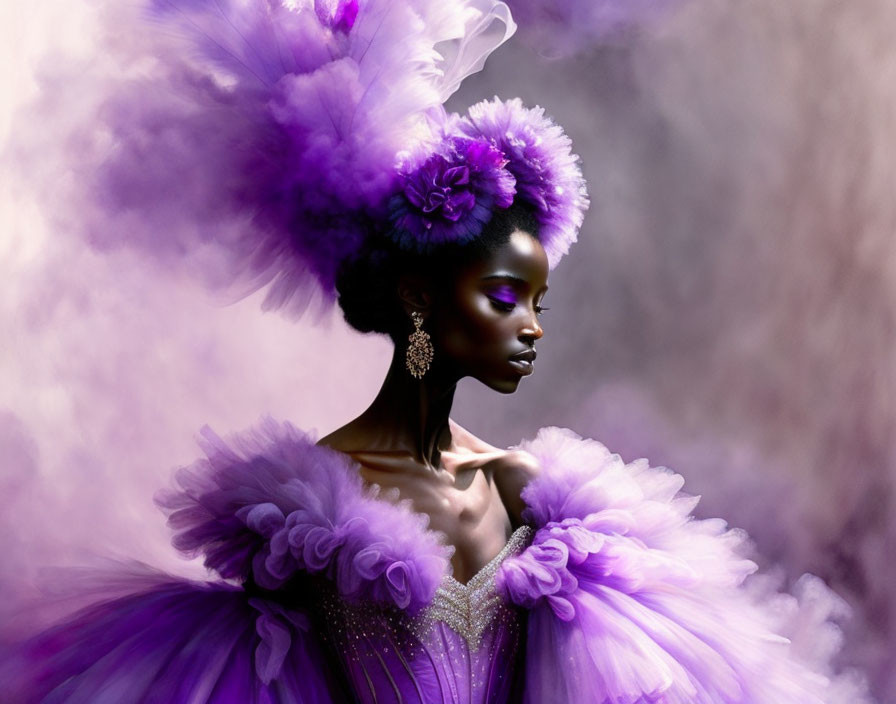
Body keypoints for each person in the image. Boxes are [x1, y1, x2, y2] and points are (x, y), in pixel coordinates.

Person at [0, 0, 867, 702]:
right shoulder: (308, 521)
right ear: (419, 295)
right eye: (502, 298)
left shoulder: (547, 510)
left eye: (537, 301)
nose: (529, 325)